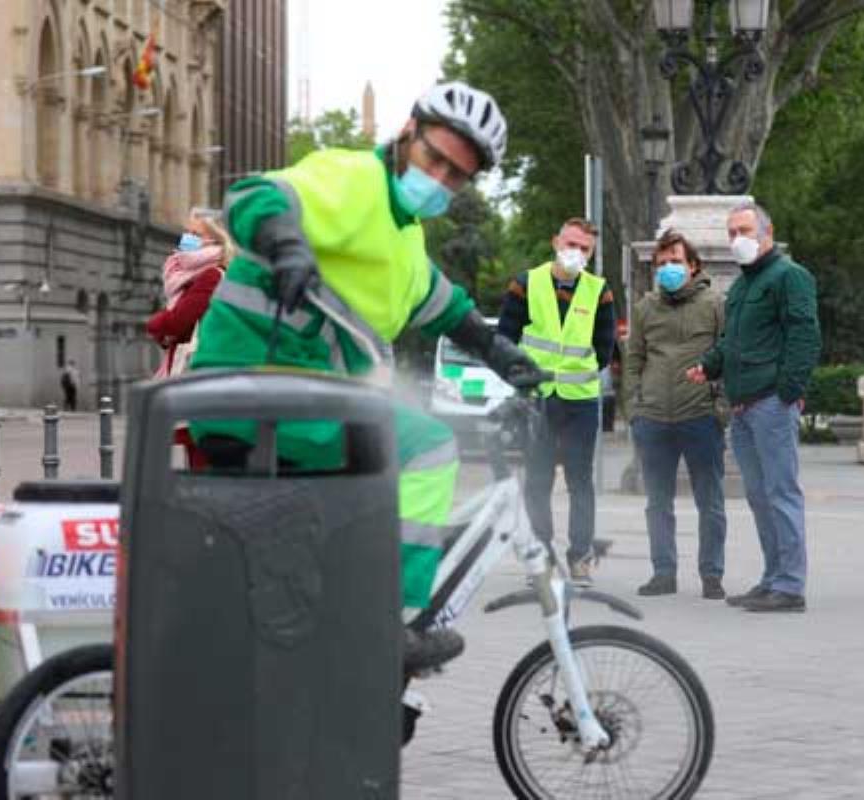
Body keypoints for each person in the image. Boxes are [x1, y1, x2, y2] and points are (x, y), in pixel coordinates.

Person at [188, 82, 542, 670]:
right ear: (408, 133)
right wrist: (287, 247)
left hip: (296, 396)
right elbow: (253, 195)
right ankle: (391, 622)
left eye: (457, 176)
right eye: (436, 159)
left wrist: (499, 351)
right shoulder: (354, 180)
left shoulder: (403, 233)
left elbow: (440, 303)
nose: (442, 180)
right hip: (252, 388)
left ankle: (338, 614)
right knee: (427, 448)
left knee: (378, 479)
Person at [687, 201, 820, 613]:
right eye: (731, 233)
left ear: (767, 232)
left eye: (744, 230)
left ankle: (791, 585)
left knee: (781, 492)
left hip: (770, 404)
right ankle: (772, 577)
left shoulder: (790, 276)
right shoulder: (744, 286)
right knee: (759, 496)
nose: (737, 240)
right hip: (742, 406)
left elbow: (805, 335)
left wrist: (789, 390)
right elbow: (733, 341)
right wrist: (709, 365)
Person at [497, 217, 616, 586]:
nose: (576, 252)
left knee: (581, 480)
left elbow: (604, 348)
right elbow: (505, 337)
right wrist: (522, 379)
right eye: (571, 244)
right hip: (538, 399)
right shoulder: (526, 283)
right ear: (555, 241)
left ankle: (580, 557)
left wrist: (578, 373)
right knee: (538, 479)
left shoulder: (599, 291)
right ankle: (541, 558)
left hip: (580, 400)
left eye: (584, 248)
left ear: (592, 252)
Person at [625, 230, 727, 599]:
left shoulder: (715, 303)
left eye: (675, 261)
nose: (668, 268)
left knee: (710, 501)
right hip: (653, 418)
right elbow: (633, 359)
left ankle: (712, 575)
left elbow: (727, 354)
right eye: (662, 263)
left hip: (700, 415)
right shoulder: (645, 307)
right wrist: (634, 408)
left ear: (693, 265)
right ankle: (663, 573)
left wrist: (721, 407)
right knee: (657, 501)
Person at [147, 208, 231, 380]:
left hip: (201, 367)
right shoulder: (193, 274)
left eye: (195, 234)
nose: (187, 239)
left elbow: (178, 322)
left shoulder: (212, 275)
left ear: (215, 239)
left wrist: (155, 324)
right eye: (187, 232)